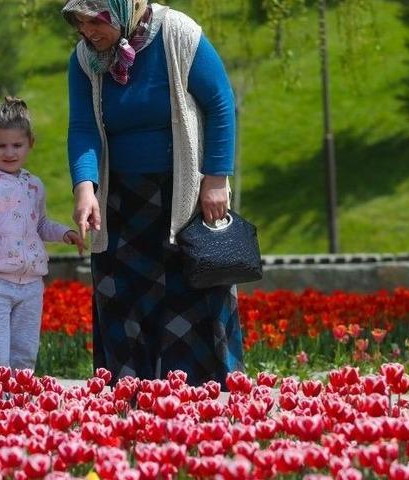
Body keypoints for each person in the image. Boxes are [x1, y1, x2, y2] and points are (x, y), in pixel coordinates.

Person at [61, 0, 245, 387]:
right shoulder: (84, 60)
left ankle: (197, 403)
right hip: (119, 203)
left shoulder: (177, 34)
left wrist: (216, 178)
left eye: (95, 21)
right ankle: (133, 407)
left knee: (188, 303)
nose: (87, 32)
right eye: (79, 23)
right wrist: (85, 188)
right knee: (122, 302)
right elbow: (82, 128)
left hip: (184, 198)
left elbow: (220, 104)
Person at [0, 97, 85, 377]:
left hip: (31, 286)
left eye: (17, 145)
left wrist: (64, 233)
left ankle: (20, 411)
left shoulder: (34, 185)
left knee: (25, 354)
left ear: (30, 144)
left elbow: (39, 224)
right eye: (1, 145)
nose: (9, 152)